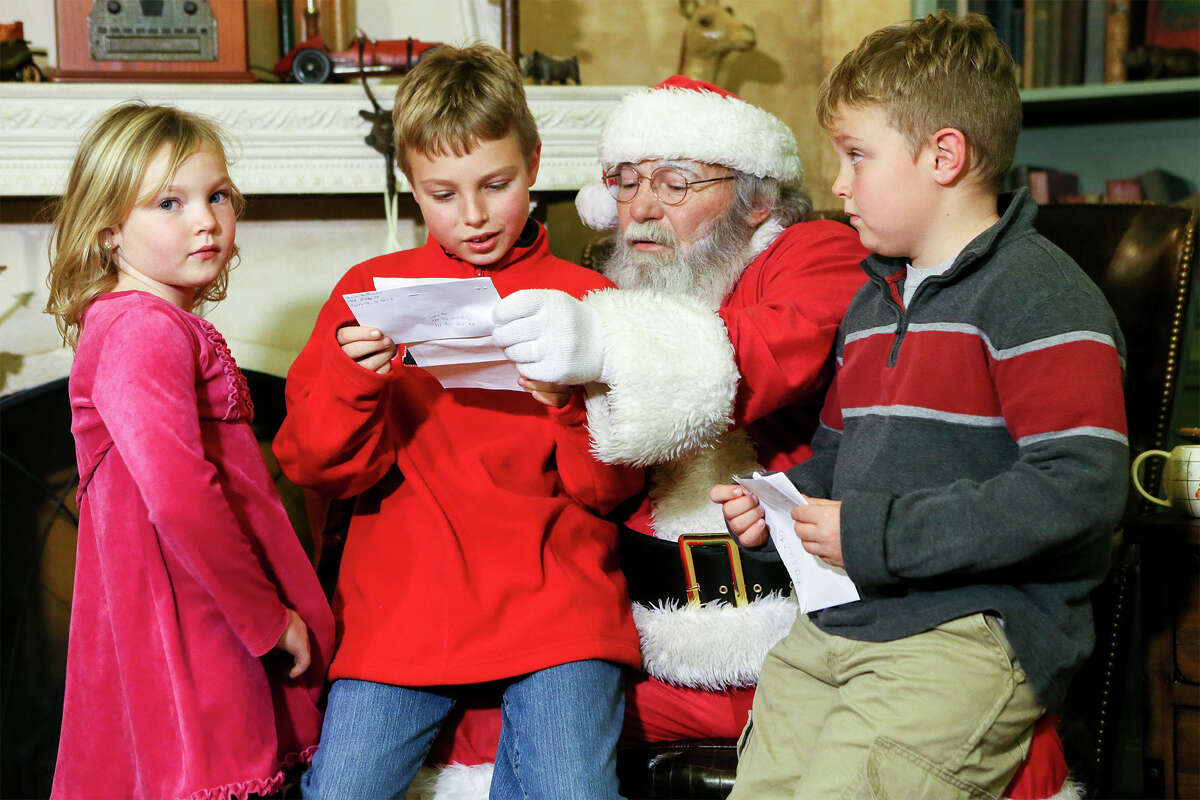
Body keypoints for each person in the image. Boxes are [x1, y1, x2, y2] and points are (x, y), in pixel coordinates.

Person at [414, 76, 871, 797]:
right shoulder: (620, 293)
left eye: (676, 183)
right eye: (625, 185)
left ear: (756, 198)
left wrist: (597, 344)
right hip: (646, 636)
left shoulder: (816, 253)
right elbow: (599, 483)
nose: (642, 211)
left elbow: (764, 351)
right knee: (467, 720)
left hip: (786, 640)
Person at [711, 13, 1128, 799]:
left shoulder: (1040, 297)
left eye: (857, 156)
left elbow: (1080, 488)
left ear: (944, 156)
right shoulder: (874, 303)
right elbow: (841, 460)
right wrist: (781, 509)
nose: (837, 183)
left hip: (966, 634)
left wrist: (872, 532)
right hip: (841, 626)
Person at [271, 43, 644, 800]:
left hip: (557, 605)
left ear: (535, 163)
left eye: (496, 185)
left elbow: (613, 492)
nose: (473, 216)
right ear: (410, 186)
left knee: (574, 790)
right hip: (403, 603)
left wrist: (567, 402)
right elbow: (317, 467)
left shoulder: (590, 298)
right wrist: (355, 378)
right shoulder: (369, 291)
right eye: (442, 194)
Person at [44, 102, 334, 800]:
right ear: (109, 231)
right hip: (195, 620)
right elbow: (180, 498)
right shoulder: (143, 331)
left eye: (217, 195)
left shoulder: (152, 324)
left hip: (206, 609)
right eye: (169, 203)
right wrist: (267, 620)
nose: (205, 219)